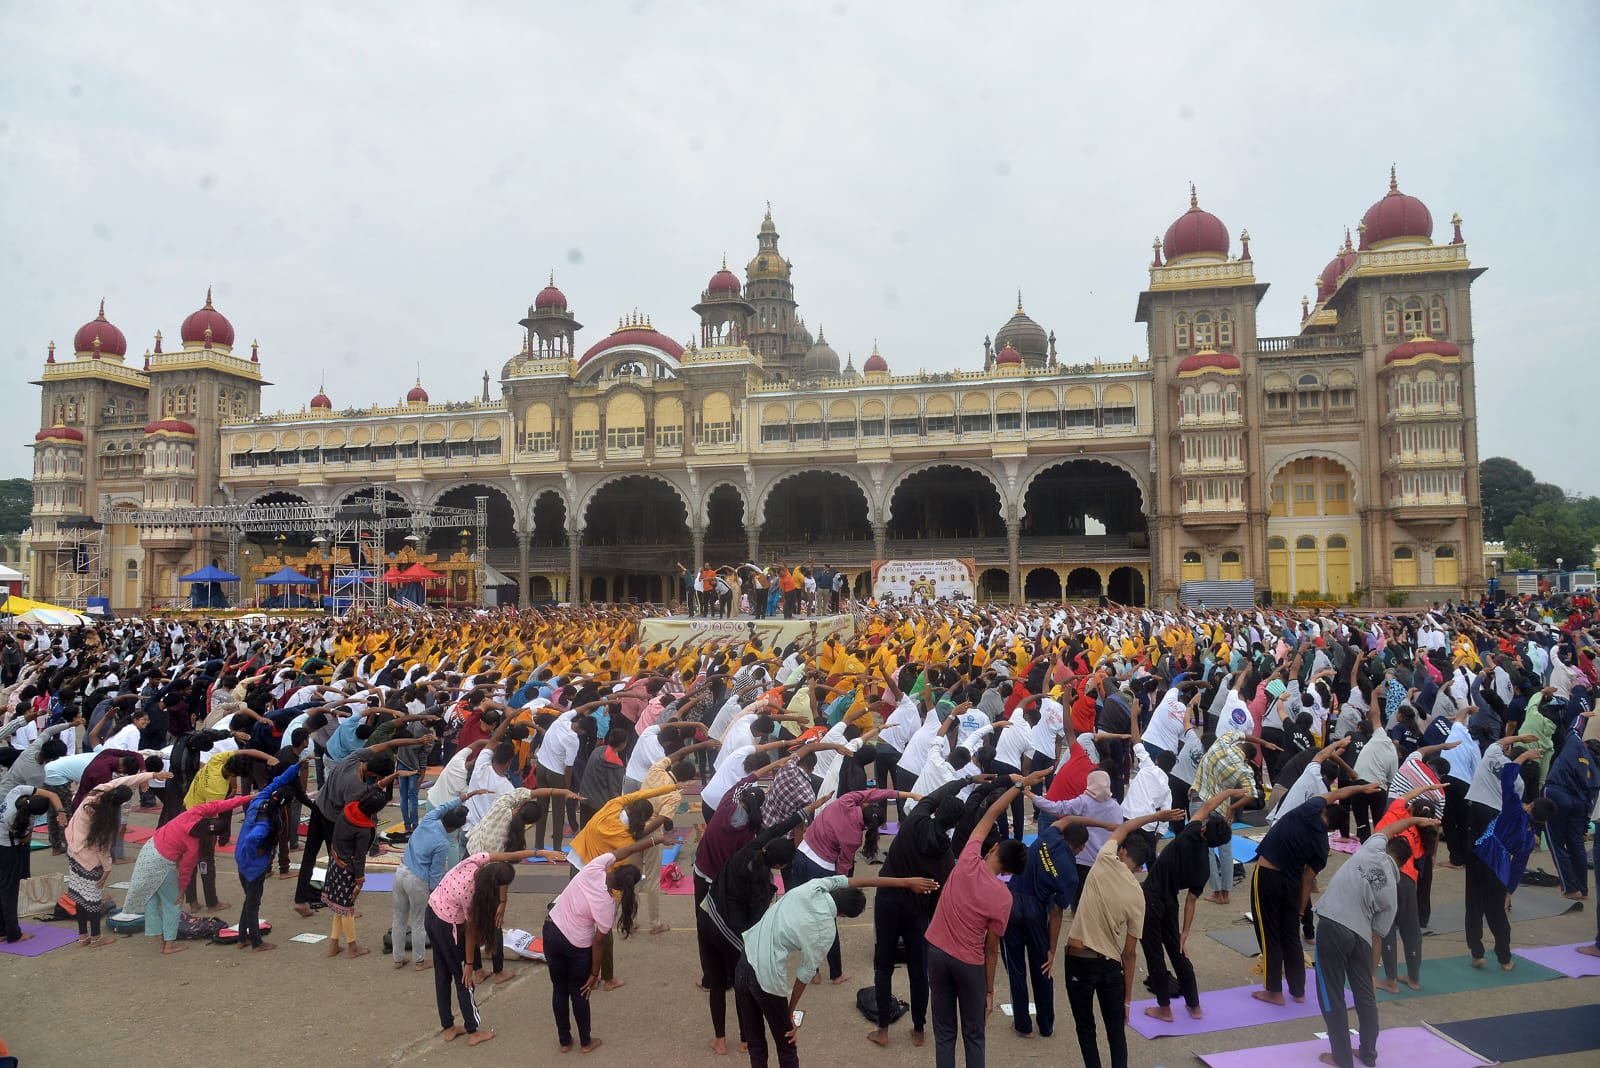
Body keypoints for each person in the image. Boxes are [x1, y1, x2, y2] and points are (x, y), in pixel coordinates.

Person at [737, 866, 937, 1068]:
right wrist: (789, 1013)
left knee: (755, 1042)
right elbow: (804, 975)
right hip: (765, 977)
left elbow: (861, 881)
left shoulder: (816, 886)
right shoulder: (826, 931)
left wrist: (905, 881)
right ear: (843, 915)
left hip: (745, 957)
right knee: (787, 1044)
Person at [924, 772, 1038, 1068]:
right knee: (974, 1036)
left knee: (944, 1034)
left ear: (994, 849)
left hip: (936, 952)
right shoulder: (1003, 897)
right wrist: (989, 990)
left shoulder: (968, 859)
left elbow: (992, 812)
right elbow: (991, 949)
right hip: (968, 965)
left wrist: (1018, 785)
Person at [1312, 814, 1438, 1068]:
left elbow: (1391, 827)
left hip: (1333, 925)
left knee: (1331, 995)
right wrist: (1371, 973)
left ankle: (1342, 1058)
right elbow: (1378, 936)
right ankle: (1368, 1054)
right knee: (1366, 998)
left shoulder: (1371, 848)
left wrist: (1414, 818)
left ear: (1387, 847)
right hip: (1361, 938)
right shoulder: (1392, 889)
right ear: (1403, 864)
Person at [1062, 808, 1183, 1068]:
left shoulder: (1105, 858)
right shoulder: (1138, 897)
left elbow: (1124, 828)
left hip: (1079, 961)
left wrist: (1156, 817)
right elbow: (1130, 954)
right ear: (1140, 867)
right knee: (1116, 1031)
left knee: (1086, 1029)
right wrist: (1127, 1000)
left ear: (1123, 853)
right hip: (1111, 968)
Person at [1250, 783, 1378, 1006]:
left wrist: (1361, 788)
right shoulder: (1321, 845)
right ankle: (1298, 991)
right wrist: (1301, 909)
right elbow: (1307, 880)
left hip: (1267, 876)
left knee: (1269, 934)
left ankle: (1274, 991)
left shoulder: (1307, 811)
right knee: (1290, 937)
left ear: (1324, 810)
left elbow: (1337, 793)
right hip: (1292, 885)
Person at [867, 778, 969, 1050]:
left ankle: (883, 1030)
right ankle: (919, 1029)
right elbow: (940, 899)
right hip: (918, 911)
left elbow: (934, 794)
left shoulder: (915, 820)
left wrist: (965, 780)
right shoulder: (946, 859)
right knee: (918, 970)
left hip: (888, 900)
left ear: (937, 810)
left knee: (883, 966)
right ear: (954, 825)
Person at [1139, 788, 1251, 1022]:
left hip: (1150, 897)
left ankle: (1164, 1008)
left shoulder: (1190, 832)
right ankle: (1194, 1005)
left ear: (1204, 829)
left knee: (1154, 954)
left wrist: (1230, 792)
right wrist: (1185, 932)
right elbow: (1191, 900)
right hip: (1170, 903)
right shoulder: (1204, 867)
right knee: (1178, 951)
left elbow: (1207, 806)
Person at [542, 834, 659, 1054]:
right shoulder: (608, 904)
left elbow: (625, 850)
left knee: (559, 989)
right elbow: (598, 941)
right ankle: (586, 1042)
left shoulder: (594, 867)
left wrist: (656, 840)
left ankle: (564, 1042)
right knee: (580, 992)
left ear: (614, 869)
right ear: (627, 889)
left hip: (551, 930)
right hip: (576, 946)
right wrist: (595, 973)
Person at [425, 847, 538, 1047]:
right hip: (448, 928)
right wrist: (469, 963)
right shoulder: (472, 893)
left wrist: (538, 853)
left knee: (442, 975)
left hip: (431, 912)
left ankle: (448, 1026)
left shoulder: (474, 861)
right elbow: (470, 933)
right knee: (463, 979)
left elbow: (507, 856)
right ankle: (473, 1031)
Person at [123, 792, 255, 953]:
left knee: (152, 899)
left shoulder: (194, 812)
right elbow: (186, 871)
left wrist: (248, 797)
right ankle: (169, 945)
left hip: (148, 850)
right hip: (161, 863)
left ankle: (160, 940)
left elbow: (219, 805)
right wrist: (181, 891)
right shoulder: (194, 845)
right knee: (173, 903)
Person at [1466, 737, 1550, 970]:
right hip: (1500, 867)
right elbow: (1518, 866)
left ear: (1531, 805)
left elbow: (1507, 778)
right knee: (1496, 913)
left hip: (1481, 852)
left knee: (1473, 904)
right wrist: (1508, 892)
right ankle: (1505, 958)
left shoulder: (1513, 808)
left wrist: (1523, 757)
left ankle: (1477, 954)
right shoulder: (1528, 838)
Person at [67, 769, 166, 946]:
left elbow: (125, 781)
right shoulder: (102, 819)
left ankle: (83, 936)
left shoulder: (97, 793)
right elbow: (101, 848)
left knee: (80, 897)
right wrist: (107, 869)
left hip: (74, 851)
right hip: (89, 859)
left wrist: (151, 775)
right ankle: (96, 937)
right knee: (93, 900)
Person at [231, 756, 306, 951]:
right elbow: (251, 840)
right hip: (252, 865)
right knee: (253, 902)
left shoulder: (262, 799)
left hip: (242, 859)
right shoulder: (266, 824)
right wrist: (256, 852)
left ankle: (242, 938)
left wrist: (296, 766)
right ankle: (256, 942)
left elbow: (278, 781)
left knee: (249, 899)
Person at [1373, 785, 1444, 992]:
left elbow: (1404, 796)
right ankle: (1413, 979)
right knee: (1410, 930)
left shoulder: (1398, 813)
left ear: (1411, 810)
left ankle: (1391, 980)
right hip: (1409, 882)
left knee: (1386, 928)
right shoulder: (1422, 838)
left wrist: (1428, 787)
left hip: (1390, 877)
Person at [0, 784, 66, 942]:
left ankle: (2, 931)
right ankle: (13, 933)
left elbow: (51, 794)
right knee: (9, 892)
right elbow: (24, 839)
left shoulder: (16, 792)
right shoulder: (23, 820)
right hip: (7, 851)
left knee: (2, 888)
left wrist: (60, 811)